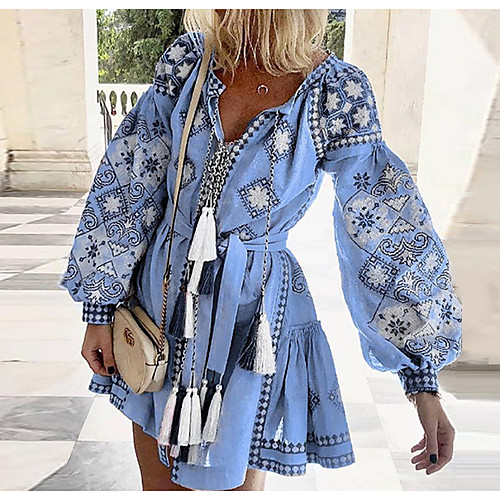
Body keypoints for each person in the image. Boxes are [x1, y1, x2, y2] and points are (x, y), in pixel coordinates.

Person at [60, 9, 462, 491]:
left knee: (235, 483)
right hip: (161, 308)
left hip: (254, 322)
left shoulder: (336, 92)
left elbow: (386, 230)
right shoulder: (188, 61)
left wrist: (422, 382)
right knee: (159, 484)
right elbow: (129, 185)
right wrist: (99, 309)